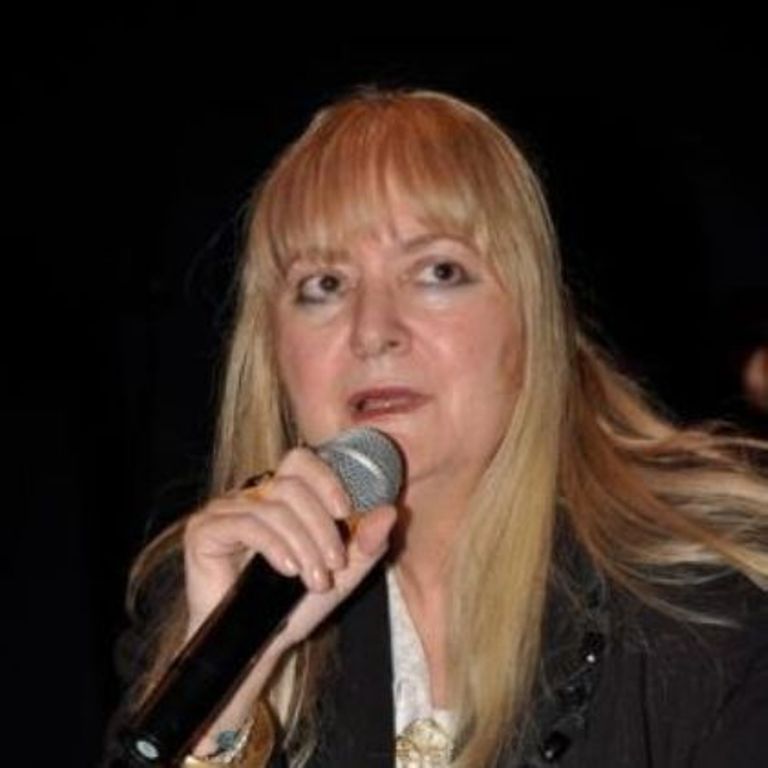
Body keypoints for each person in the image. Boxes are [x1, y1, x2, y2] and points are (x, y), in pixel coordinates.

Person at [104, 88, 768, 767]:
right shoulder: (209, 599)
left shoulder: (713, 611)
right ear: (273, 351)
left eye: (437, 272)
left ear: (532, 320)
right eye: (324, 285)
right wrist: (222, 721)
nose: (372, 331)